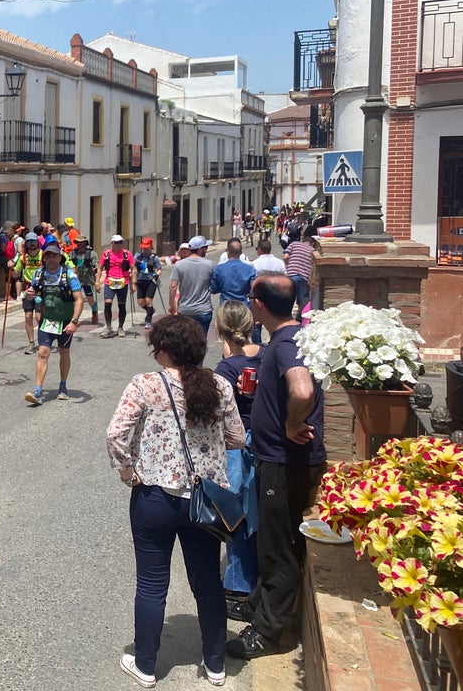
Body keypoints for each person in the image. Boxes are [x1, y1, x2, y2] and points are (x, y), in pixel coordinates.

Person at [105, 315, 245, 689]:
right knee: (207, 583)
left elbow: (116, 433)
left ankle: (147, 665)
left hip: (155, 496)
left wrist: (126, 470)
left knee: (151, 583)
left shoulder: (146, 385)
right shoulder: (220, 386)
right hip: (206, 501)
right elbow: (237, 438)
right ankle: (215, 664)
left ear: (164, 350)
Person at [226, 274, 326, 660]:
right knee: (270, 537)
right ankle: (259, 603)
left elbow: (301, 389)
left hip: (285, 462)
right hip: (277, 459)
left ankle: (268, 633)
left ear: (260, 304)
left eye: (252, 297)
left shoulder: (286, 343)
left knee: (279, 545)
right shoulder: (288, 337)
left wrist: (291, 424)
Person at [213, 301, 263, 622]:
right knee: (256, 514)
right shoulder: (268, 354)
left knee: (234, 517)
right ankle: (255, 578)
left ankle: (237, 585)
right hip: (264, 441)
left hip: (235, 447)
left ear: (221, 331)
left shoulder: (225, 370)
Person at [23, 243, 84, 405]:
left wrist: (74, 321)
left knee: (64, 352)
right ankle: (37, 390)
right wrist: (29, 295)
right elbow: (32, 295)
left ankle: (63, 386)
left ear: (59, 257)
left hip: (65, 322)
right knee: (43, 352)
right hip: (47, 321)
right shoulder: (38, 274)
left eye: (54, 255)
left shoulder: (69, 275)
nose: (50, 258)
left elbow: (79, 299)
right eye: (48, 256)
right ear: (44, 258)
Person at [168, 236, 214, 335]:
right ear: (201, 249)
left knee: (185, 340)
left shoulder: (179, 265)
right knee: (201, 340)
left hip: (185, 310)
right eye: (205, 247)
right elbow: (214, 286)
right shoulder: (210, 265)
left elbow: (173, 286)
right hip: (203, 310)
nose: (207, 249)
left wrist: (171, 305)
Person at [96, 235, 135, 338]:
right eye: (116, 243)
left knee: (121, 305)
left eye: (120, 243)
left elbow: (133, 268)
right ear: (112, 243)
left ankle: (120, 327)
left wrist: (134, 284)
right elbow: (100, 268)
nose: (118, 245)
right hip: (110, 281)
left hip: (123, 281)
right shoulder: (106, 254)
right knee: (108, 303)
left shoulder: (127, 254)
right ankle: (108, 327)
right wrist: (97, 282)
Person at [249, 240, 286, 344]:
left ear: (259, 249)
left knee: (257, 324)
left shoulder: (254, 264)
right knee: (275, 322)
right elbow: (285, 278)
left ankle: (258, 346)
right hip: (277, 296)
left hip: (259, 298)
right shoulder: (279, 262)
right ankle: (274, 343)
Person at [12, 236, 45, 353]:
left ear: (37, 242)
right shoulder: (23, 257)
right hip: (27, 290)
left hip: (41, 290)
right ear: (26, 243)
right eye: (29, 242)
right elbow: (16, 275)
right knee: (28, 317)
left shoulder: (43, 255)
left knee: (39, 317)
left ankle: (43, 341)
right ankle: (31, 343)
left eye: (34, 241)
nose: (32, 244)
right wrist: (12, 268)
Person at [283, 227, 318, 320]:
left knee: (288, 298)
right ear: (313, 242)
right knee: (303, 301)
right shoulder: (313, 251)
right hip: (304, 278)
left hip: (291, 275)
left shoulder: (294, 244)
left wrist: (290, 265)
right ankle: (300, 320)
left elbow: (286, 257)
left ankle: (286, 318)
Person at [211, 238, 257, 306]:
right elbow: (254, 289)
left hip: (226, 306)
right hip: (244, 306)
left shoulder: (218, 269)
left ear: (227, 251)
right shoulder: (250, 269)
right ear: (241, 253)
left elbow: (213, 289)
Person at [69, 235, 100, 325]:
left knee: (90, 299)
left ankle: (94, 311)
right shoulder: (72, 253)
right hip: (76, 279)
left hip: (88, 280)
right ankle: (75, 318)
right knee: (76, 299)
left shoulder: (91, 253)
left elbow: (97, 266)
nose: (80, 244)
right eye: (78, 242)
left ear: (85, 243)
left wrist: (96, 271)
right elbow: (68, 263)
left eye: (82, 242)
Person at [133, 238, 162, 330]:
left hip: (151, 281)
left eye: (146, 248)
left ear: (150, 247)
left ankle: (148, 320)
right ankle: (151, 311)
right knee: (141, 303)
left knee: (148, 300)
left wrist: (157, 274)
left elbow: (159, 269)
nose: (145, 250)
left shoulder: (155, 257)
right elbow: (132, 265)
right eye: (143, 248)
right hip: (140, 280)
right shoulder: (138, 256)